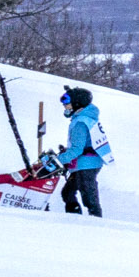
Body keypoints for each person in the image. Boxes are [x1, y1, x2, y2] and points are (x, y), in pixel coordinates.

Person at [49, 85, 107, 218]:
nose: (64, 106)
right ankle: (74, 219)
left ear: (77, 103)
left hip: (87, 164)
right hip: (85, 162)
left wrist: (59, 160)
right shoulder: (84, 118)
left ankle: (95, 222)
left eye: (67, 103)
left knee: (89, 197)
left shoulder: (81, 122)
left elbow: (77, 149)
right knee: (68, 193)